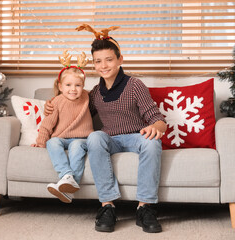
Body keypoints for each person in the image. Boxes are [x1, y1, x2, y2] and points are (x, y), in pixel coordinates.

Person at [45, 24, 167, 233]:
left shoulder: (135, 85)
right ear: (93, 65)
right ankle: (107, 206)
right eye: (98, 61)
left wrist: (156, 126)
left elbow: (157, 118)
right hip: (111, 139)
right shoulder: (93, 93)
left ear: (120, 60)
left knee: (153, 143)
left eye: (109, 59)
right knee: (94, 137)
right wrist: (53, 103)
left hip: (136, 136)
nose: (104, 65)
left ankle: (145, 207)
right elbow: (74, 109)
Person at [31, 50, 94, 204]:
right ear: (60, 86)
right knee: (52, 142)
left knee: (76, 147)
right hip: (61, 138)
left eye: (78, 85)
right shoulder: (56, 102)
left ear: (83, 86)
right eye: (68, 85)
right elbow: (47, 125)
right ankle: (66, 176)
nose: (73, 89)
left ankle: (70, 183)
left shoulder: (87, 97)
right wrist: (40, 142)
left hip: (82, 138)